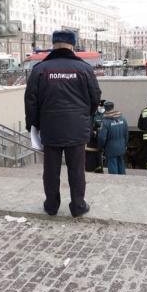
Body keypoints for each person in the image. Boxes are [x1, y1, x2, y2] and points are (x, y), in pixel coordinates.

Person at [24, 30, 101, 217]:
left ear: (54, 44)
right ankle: (78, 206)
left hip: (50, 128)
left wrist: (33, 125)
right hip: (77, 128)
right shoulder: (84, 69)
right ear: (72, 45)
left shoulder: (40, 69)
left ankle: (51, 206)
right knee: (77, 170)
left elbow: (30, 101)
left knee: (51, 170)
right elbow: (95, 98)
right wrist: (84, 116)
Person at [98, 100, 129, 175]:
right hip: (121, 146)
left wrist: (101, 146)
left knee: (112, 167)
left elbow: (102, 138)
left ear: (105, 108)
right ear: (113, 107)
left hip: (110, 148)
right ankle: (123, 180)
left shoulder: (105, 121)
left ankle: (115, 181)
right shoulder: (123, 119)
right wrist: (125, 144)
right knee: (121, 164)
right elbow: (126, 134)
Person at [85, 100, 105, 172]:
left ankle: (99, 168)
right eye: (99, 106)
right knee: (92, 156)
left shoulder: (106, 115)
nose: (100, 108)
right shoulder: (93, 115)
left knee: (100, 155)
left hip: (101, 139)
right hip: (92, 140)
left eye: (101, 106)